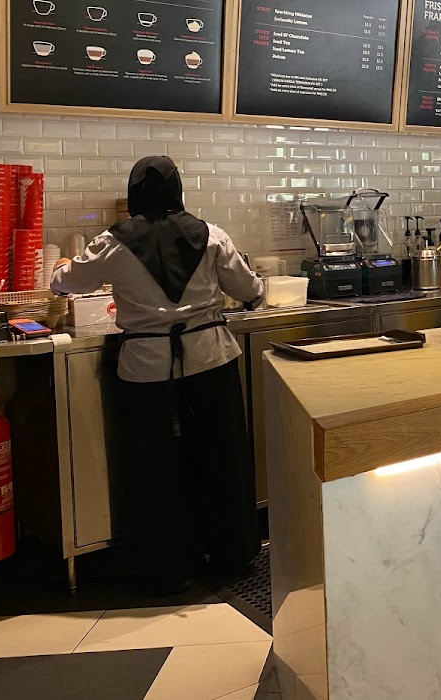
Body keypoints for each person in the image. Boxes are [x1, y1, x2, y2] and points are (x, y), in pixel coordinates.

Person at [52, 155, 264, 593]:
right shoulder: (211, 235)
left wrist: (60, 270)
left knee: (155, 469)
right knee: (221, 458)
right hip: (210, 359)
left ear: (134, 195)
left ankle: (170, 568)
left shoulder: (112, 242)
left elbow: (66, 283)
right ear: (178, 191)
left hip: (145, 368)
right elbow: (248, 289)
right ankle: (232, 554)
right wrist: (255, 292)